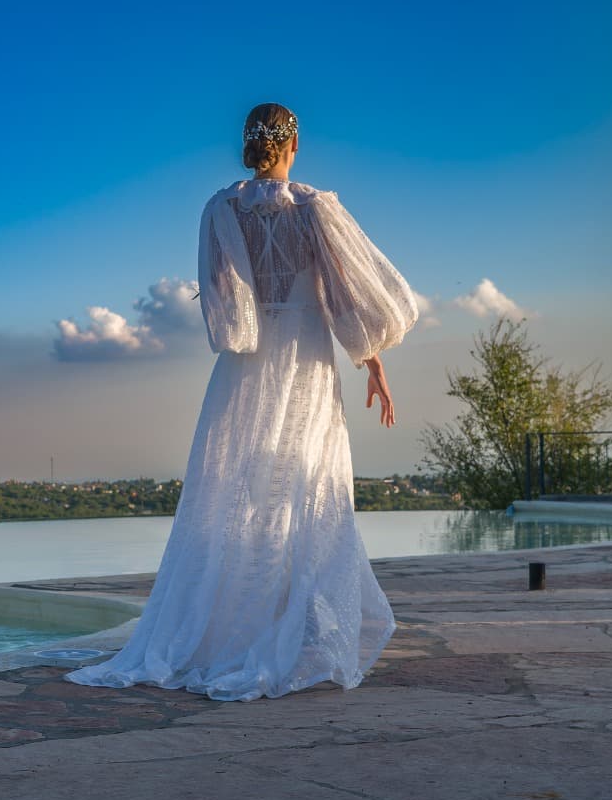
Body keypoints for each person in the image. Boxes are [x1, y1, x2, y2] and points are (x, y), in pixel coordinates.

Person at [65, 103, 417, 701]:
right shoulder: (315, 208)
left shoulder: (220, 209)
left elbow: (227, 308)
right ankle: (287, 630)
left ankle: (229, 628)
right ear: (294, 145)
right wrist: (372, 360)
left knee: (237, 487)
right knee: (304, 484)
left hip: (243, 367)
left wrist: (253, 341)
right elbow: (347, 293)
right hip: (303, 360)